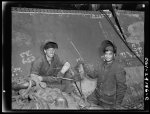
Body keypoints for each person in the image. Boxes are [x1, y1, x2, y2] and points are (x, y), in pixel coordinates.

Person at [76, 40, 127, 109]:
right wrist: (84, 64)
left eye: (110, 54)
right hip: (96, 95)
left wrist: (117, 104)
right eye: (106, 54)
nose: (107, 56)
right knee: (84, 104)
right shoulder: (101, 65)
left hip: (108, 100)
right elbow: (93, 75)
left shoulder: (118, 68)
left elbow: (121, 87)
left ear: (114, 55)